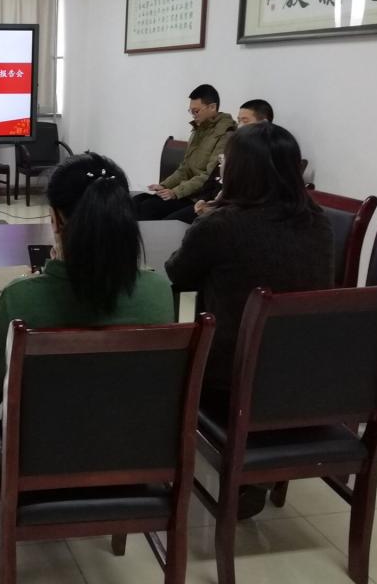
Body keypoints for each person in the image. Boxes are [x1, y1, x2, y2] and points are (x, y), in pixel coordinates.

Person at [164, 122, 333, 518]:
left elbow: (177, 273)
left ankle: (153, 467)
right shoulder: (319, 222)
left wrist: (212, 211)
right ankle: (256, 473)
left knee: (163, 359)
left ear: (239, 171)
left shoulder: (221, 225)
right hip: (306, 377)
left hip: (229, 381)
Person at [0, 152, 176, 433]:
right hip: (134, 440)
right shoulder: (158, 290)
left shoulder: (22, 296)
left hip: (43, 447)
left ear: (54, 219)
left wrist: (47, 275)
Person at [133, 83, 236, 221]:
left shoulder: (225, 135)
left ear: (212, 107)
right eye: (191, 111)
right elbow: (184, 168)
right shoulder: (198, 129)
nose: (193, 115)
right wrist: (164, 185)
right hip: (186, 193)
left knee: (154, 212)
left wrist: (175, 192)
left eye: (196, 111)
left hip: (200, 198)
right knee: (137, 202)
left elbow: (208, 176)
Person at [168, 98, 276, 223]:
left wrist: (216, 208)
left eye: (245, 121)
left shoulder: (267, 156)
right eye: (239, 121)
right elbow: (210, 181)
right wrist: (203, 200)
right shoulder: (234, 148)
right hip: (212, 206)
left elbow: (246, 199)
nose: (240, 126)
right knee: (167, 219)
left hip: (232, 216)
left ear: (263, 123)